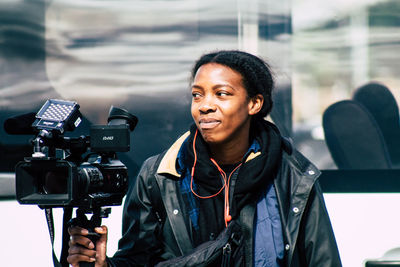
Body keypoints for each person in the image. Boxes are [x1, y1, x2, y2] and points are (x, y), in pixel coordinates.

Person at [68, 50, 342, 266]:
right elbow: (136, 260)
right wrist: (102, 264)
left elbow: (323, 260)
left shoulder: (294, 175)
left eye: (221, 94)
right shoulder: (159, 176)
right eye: (197, 95)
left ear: (254, 103)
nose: (205, 105)